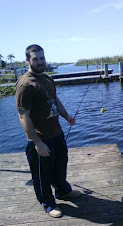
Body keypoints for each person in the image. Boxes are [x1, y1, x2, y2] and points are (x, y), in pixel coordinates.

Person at [15, 44, 81, 218]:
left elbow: (55, 99)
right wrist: (37, 142)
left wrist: (66, 117)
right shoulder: (25, 84)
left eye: (42, 58)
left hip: (56, 133)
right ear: (28, 60)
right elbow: (23, 116)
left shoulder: (47, 78)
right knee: (42, 175)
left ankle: (63, 191)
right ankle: (48, 203)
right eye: (35, 59)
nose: (40, 61)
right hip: (40, 138)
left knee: (60, 165)